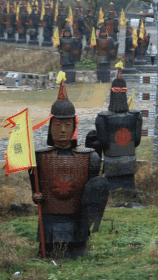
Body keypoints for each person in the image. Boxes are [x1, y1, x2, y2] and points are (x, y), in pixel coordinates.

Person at [29, 75, 108, 258]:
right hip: (50, 215)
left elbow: (92, 194)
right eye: (58, 125)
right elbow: (35, 188)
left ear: (74, 126)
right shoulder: (39, 157)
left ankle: (77, 246)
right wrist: (36, 196)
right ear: (50, 127)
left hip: (76, 217)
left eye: (67, 125)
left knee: (77, 246)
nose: (63, 130)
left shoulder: (90, 158)